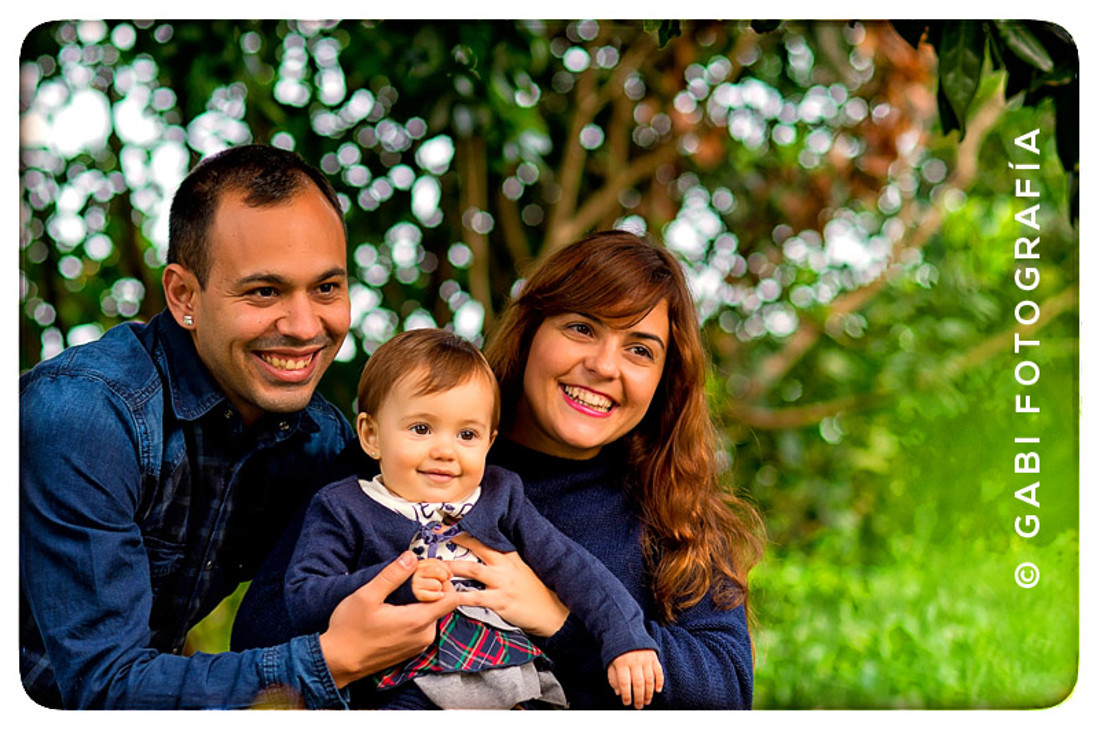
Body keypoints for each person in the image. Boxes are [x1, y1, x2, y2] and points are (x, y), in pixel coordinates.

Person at [19, 144, 464, 709]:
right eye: (264, 291)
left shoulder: (321, 444)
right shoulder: (86, 415)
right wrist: (331, 661)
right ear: (184, 295)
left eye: (326, 288)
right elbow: (102, 685)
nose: (305, 327)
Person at [281, 328, 664, 710]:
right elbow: (304, 597)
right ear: (371, 435)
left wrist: (626, 637)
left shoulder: (500, 496)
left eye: (467, 434)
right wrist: (395, 583)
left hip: (515, 678)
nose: (446, 451)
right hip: (410, 685)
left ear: (489, 442)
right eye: (421, 429)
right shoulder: (345, 506)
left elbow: (574, 567)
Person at [473, 230, 767, 709]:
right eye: (582, 328)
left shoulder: (673, 511)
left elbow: (727, 691)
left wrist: (560, 621)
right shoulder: (420, 458)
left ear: (663, 381)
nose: (604, 365)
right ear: (530, 330)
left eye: (639, 350)